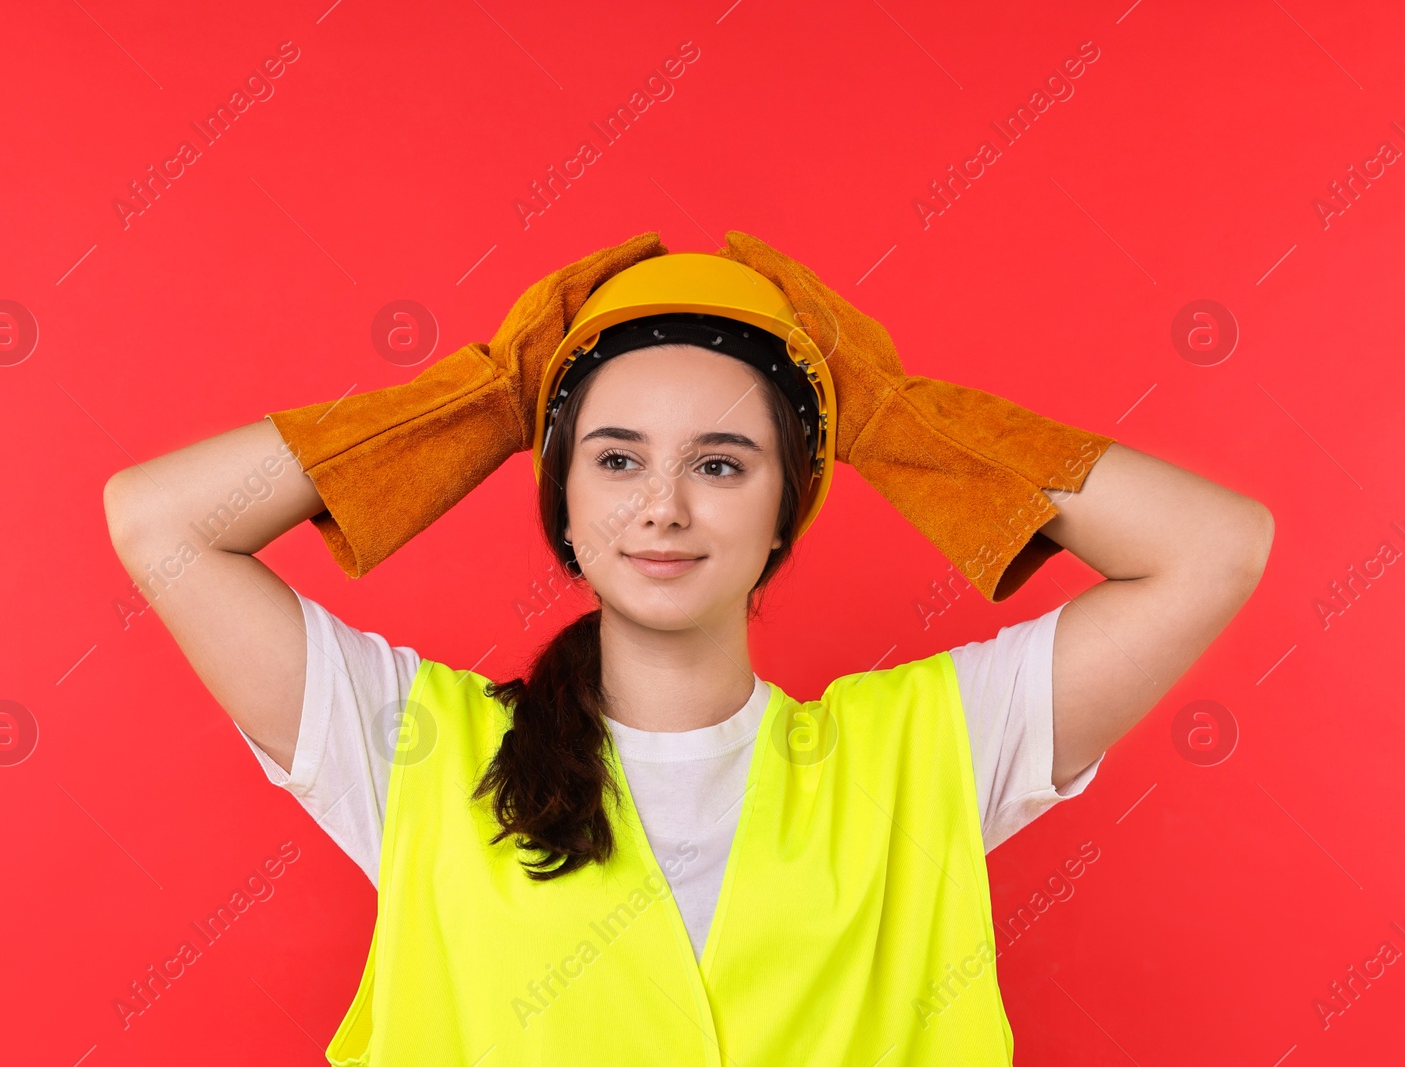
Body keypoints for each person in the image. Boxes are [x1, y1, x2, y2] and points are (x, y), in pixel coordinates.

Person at [102, 232, 1273, 1065]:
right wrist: (489, 404)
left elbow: (1212, 546)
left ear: (783, 509)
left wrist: (890, 420)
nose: (661, 507)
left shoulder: (930, 749)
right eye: (614, 458)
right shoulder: (411, 745)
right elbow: (161, 524)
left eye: (720, 463)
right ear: (561, 499)